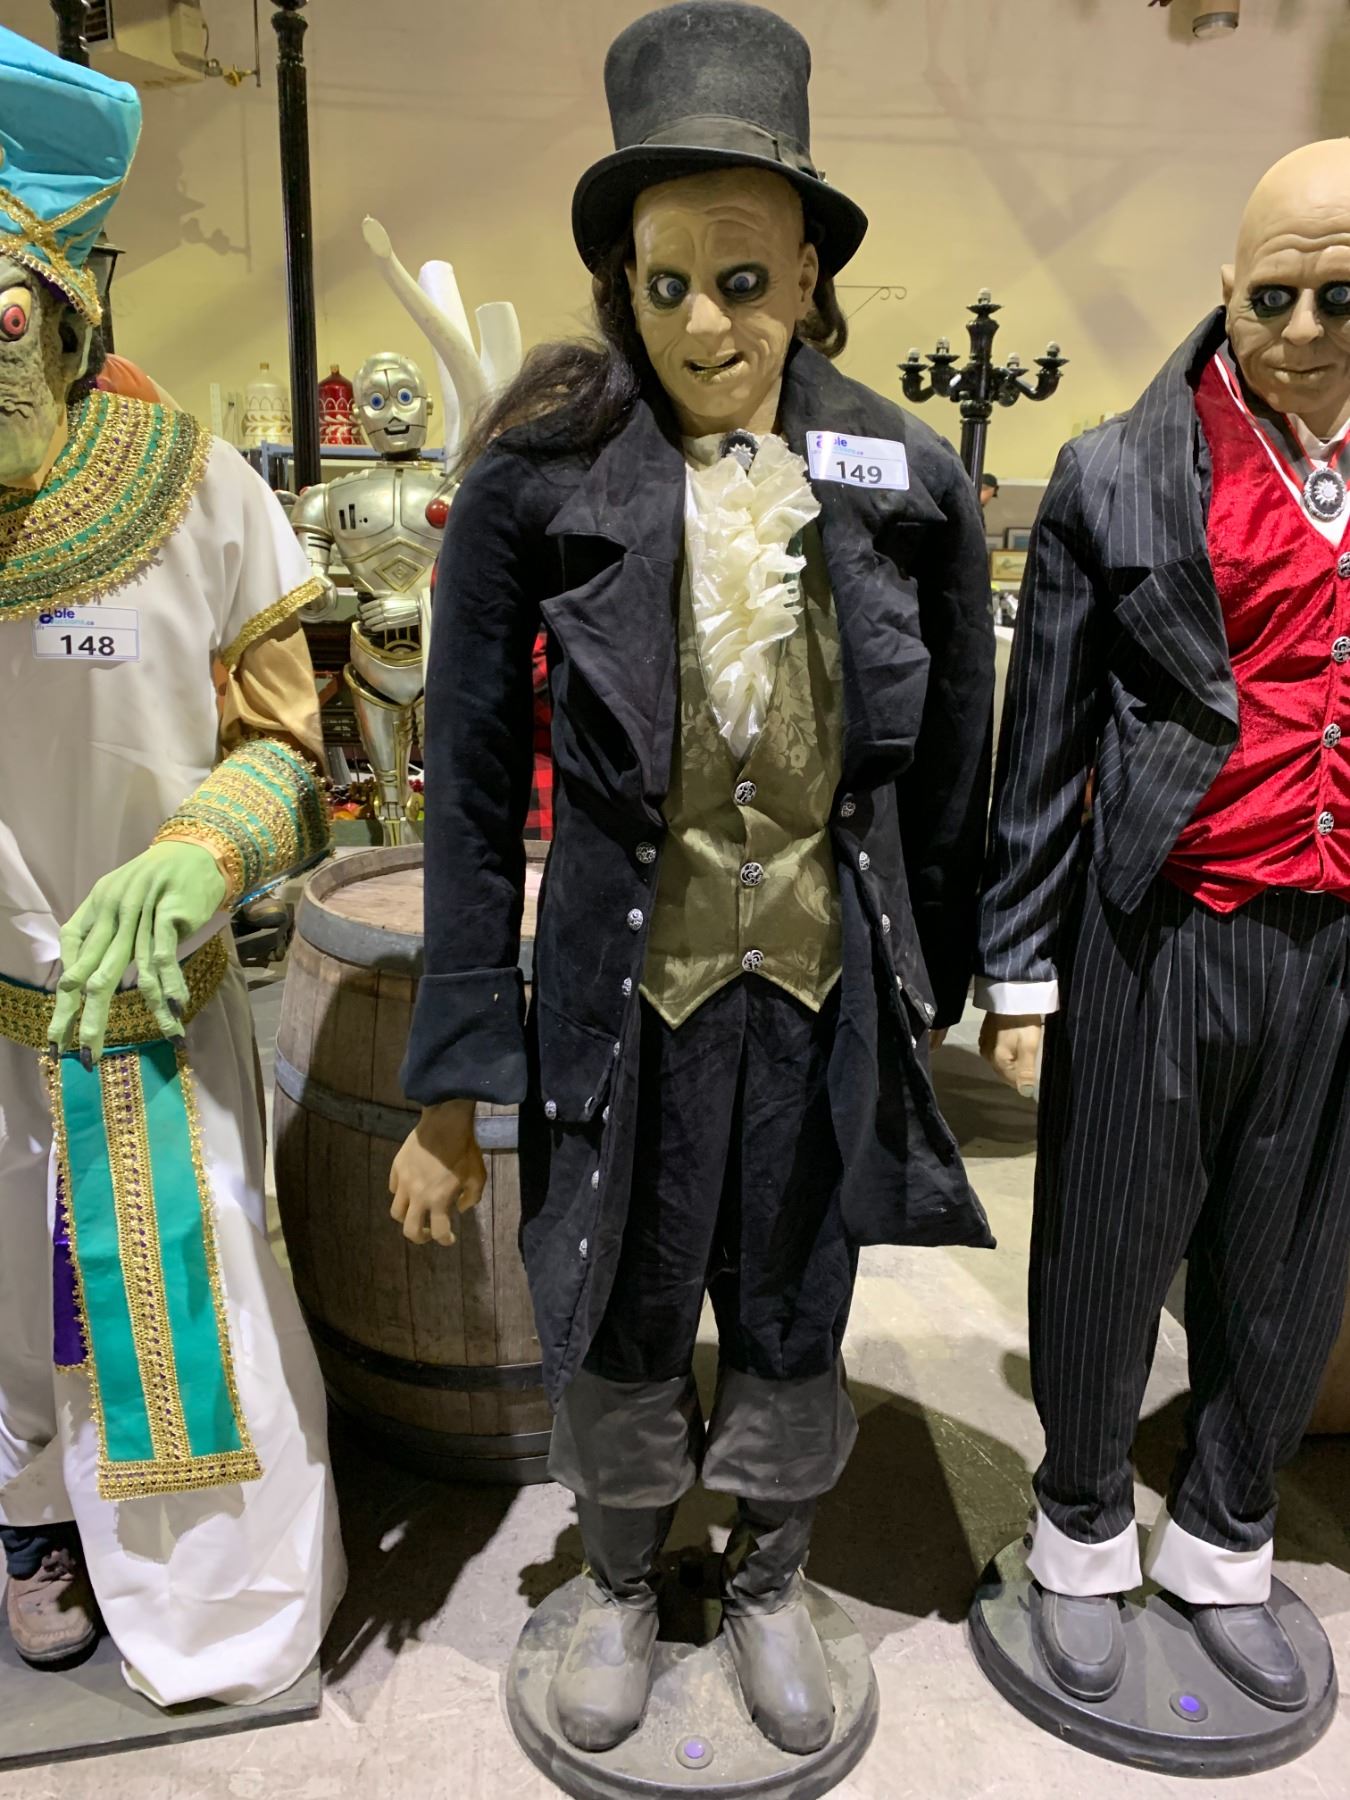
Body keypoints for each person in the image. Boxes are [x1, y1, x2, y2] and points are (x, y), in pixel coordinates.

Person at [390, 0, 994, 1760]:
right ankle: (617, 1572)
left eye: (741, 281)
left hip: (819, 982)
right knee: (623, 1286)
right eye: (665, 286)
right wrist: (453, 1075)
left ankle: (770, 1573)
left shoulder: (906, 479)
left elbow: (949, 764)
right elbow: (465, 790)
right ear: (621, 283)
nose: (705, 326)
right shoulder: (534, 485)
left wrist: (944, 984)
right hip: (622, 991)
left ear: (807, 272)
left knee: (798, 1289)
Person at [977, 139, 1350, 1712]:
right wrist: (1017, 968)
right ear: (1226, 290)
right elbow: (1040, 737)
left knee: (1291, 1259)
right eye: (1273, 296)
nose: (1305, 330)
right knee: (1105, 1244)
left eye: (1341, 296)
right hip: (1161, 921)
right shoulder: (1119, 471)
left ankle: (1221, 1545)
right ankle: (1075, 1535)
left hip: (1335, 943)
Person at [0, 28, 344, 1702]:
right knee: (7, 1295)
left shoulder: (193, 489)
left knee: (181, 1279)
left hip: (153, 997)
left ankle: (201, 1569)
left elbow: (290, 746)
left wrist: (206, 850)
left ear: (60, 309)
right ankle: (27, 1517)